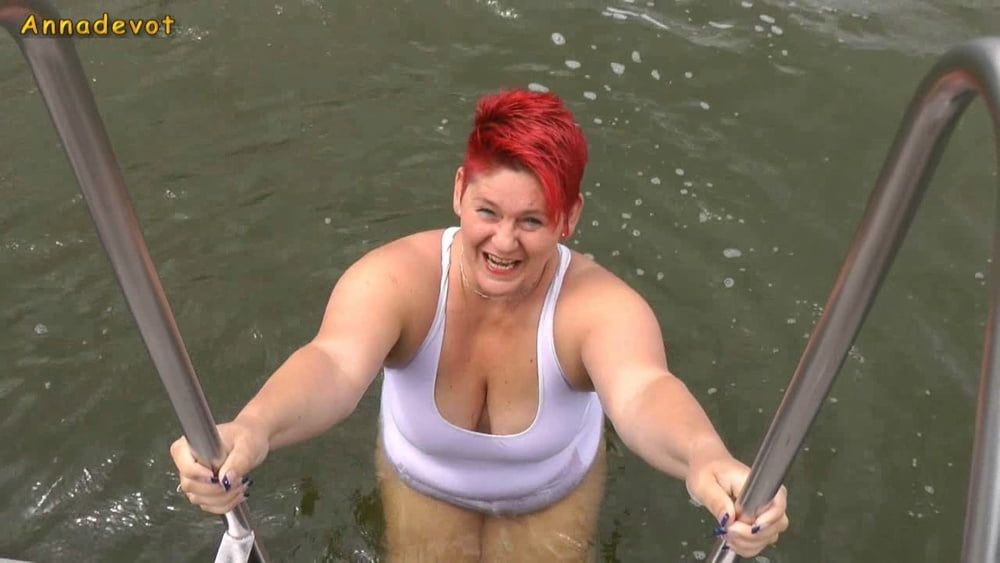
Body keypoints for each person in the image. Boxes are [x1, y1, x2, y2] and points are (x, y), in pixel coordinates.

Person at [170, 89, 789, 561]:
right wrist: (252, 429)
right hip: (423, 485)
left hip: (553, 495)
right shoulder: (396, 279)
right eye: (487, 212)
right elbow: (333, 363)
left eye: (532, 222)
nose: (503, 242)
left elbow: (644, 391)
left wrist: (705, 460)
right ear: (459, 191)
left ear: (569, 218)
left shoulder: (600, 306)